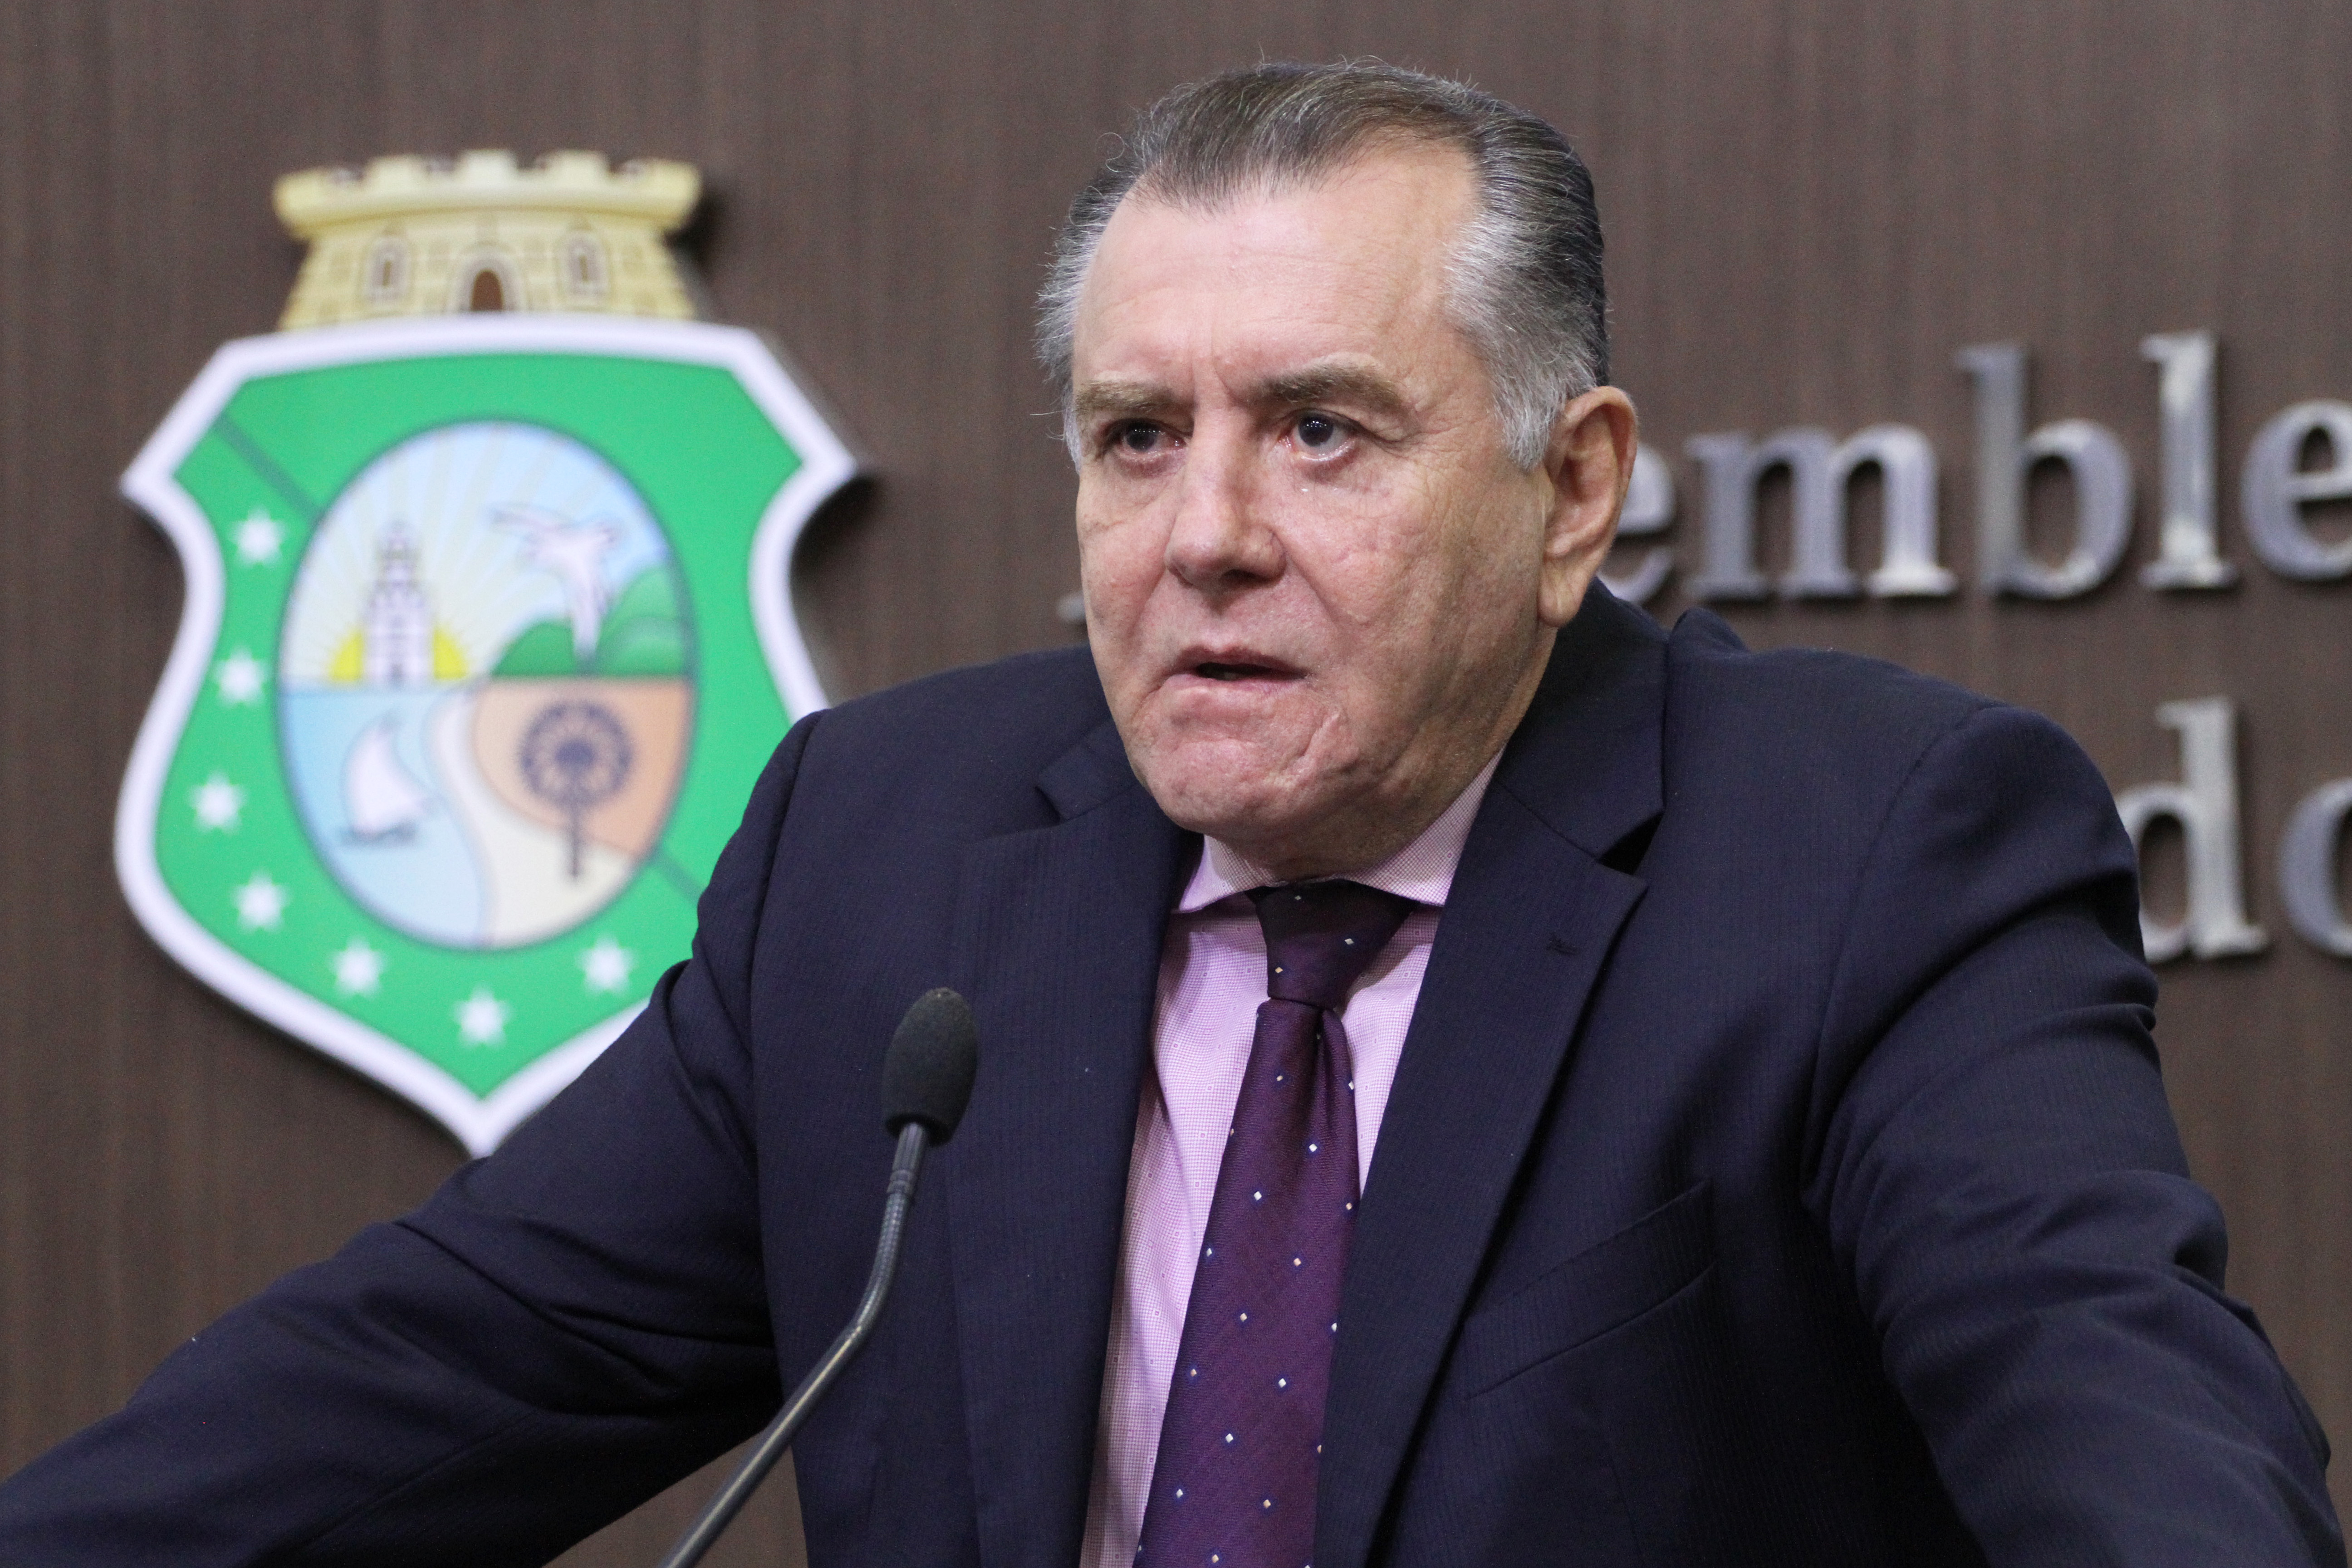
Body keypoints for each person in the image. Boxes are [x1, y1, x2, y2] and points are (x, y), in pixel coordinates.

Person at [0, 60, 2341, 1568]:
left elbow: (2126, 1441)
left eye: (1319, 431)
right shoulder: (884, 859)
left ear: (1571, 491)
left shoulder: (1868, 856)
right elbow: (411, 1388)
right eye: (1139, 438)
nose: (1203, 536)